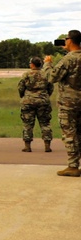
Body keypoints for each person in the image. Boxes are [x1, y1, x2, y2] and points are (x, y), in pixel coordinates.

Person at [44, 30, 81, 176]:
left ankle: (73, 166)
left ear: (70, 40)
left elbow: (52, 77)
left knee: (69, 133)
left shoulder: (68, 59)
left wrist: (47, 64)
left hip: (69, 102)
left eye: (66, 39)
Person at [18, 57, 54, 153]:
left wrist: (23, 96)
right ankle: (47, 145)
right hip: (43, 101)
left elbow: (21, 87)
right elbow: (51, 87)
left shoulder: (26, 74)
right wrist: (45, 96)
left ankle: (27, 146)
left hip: (28, 101)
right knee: (45, 123)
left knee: (27, 124)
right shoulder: (45, 74)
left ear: (32, 64)